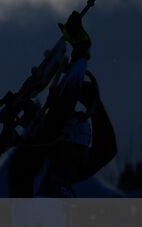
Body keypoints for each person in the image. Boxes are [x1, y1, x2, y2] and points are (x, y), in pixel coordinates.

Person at [9, 11, 117, 197]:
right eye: (77, 150)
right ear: (60, 144)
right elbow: (60, 112)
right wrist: (81, 52)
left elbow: (107, 149)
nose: (81, 158)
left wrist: (97, 106)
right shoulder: (33, 165)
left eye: (83, 150)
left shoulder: (67, 172)